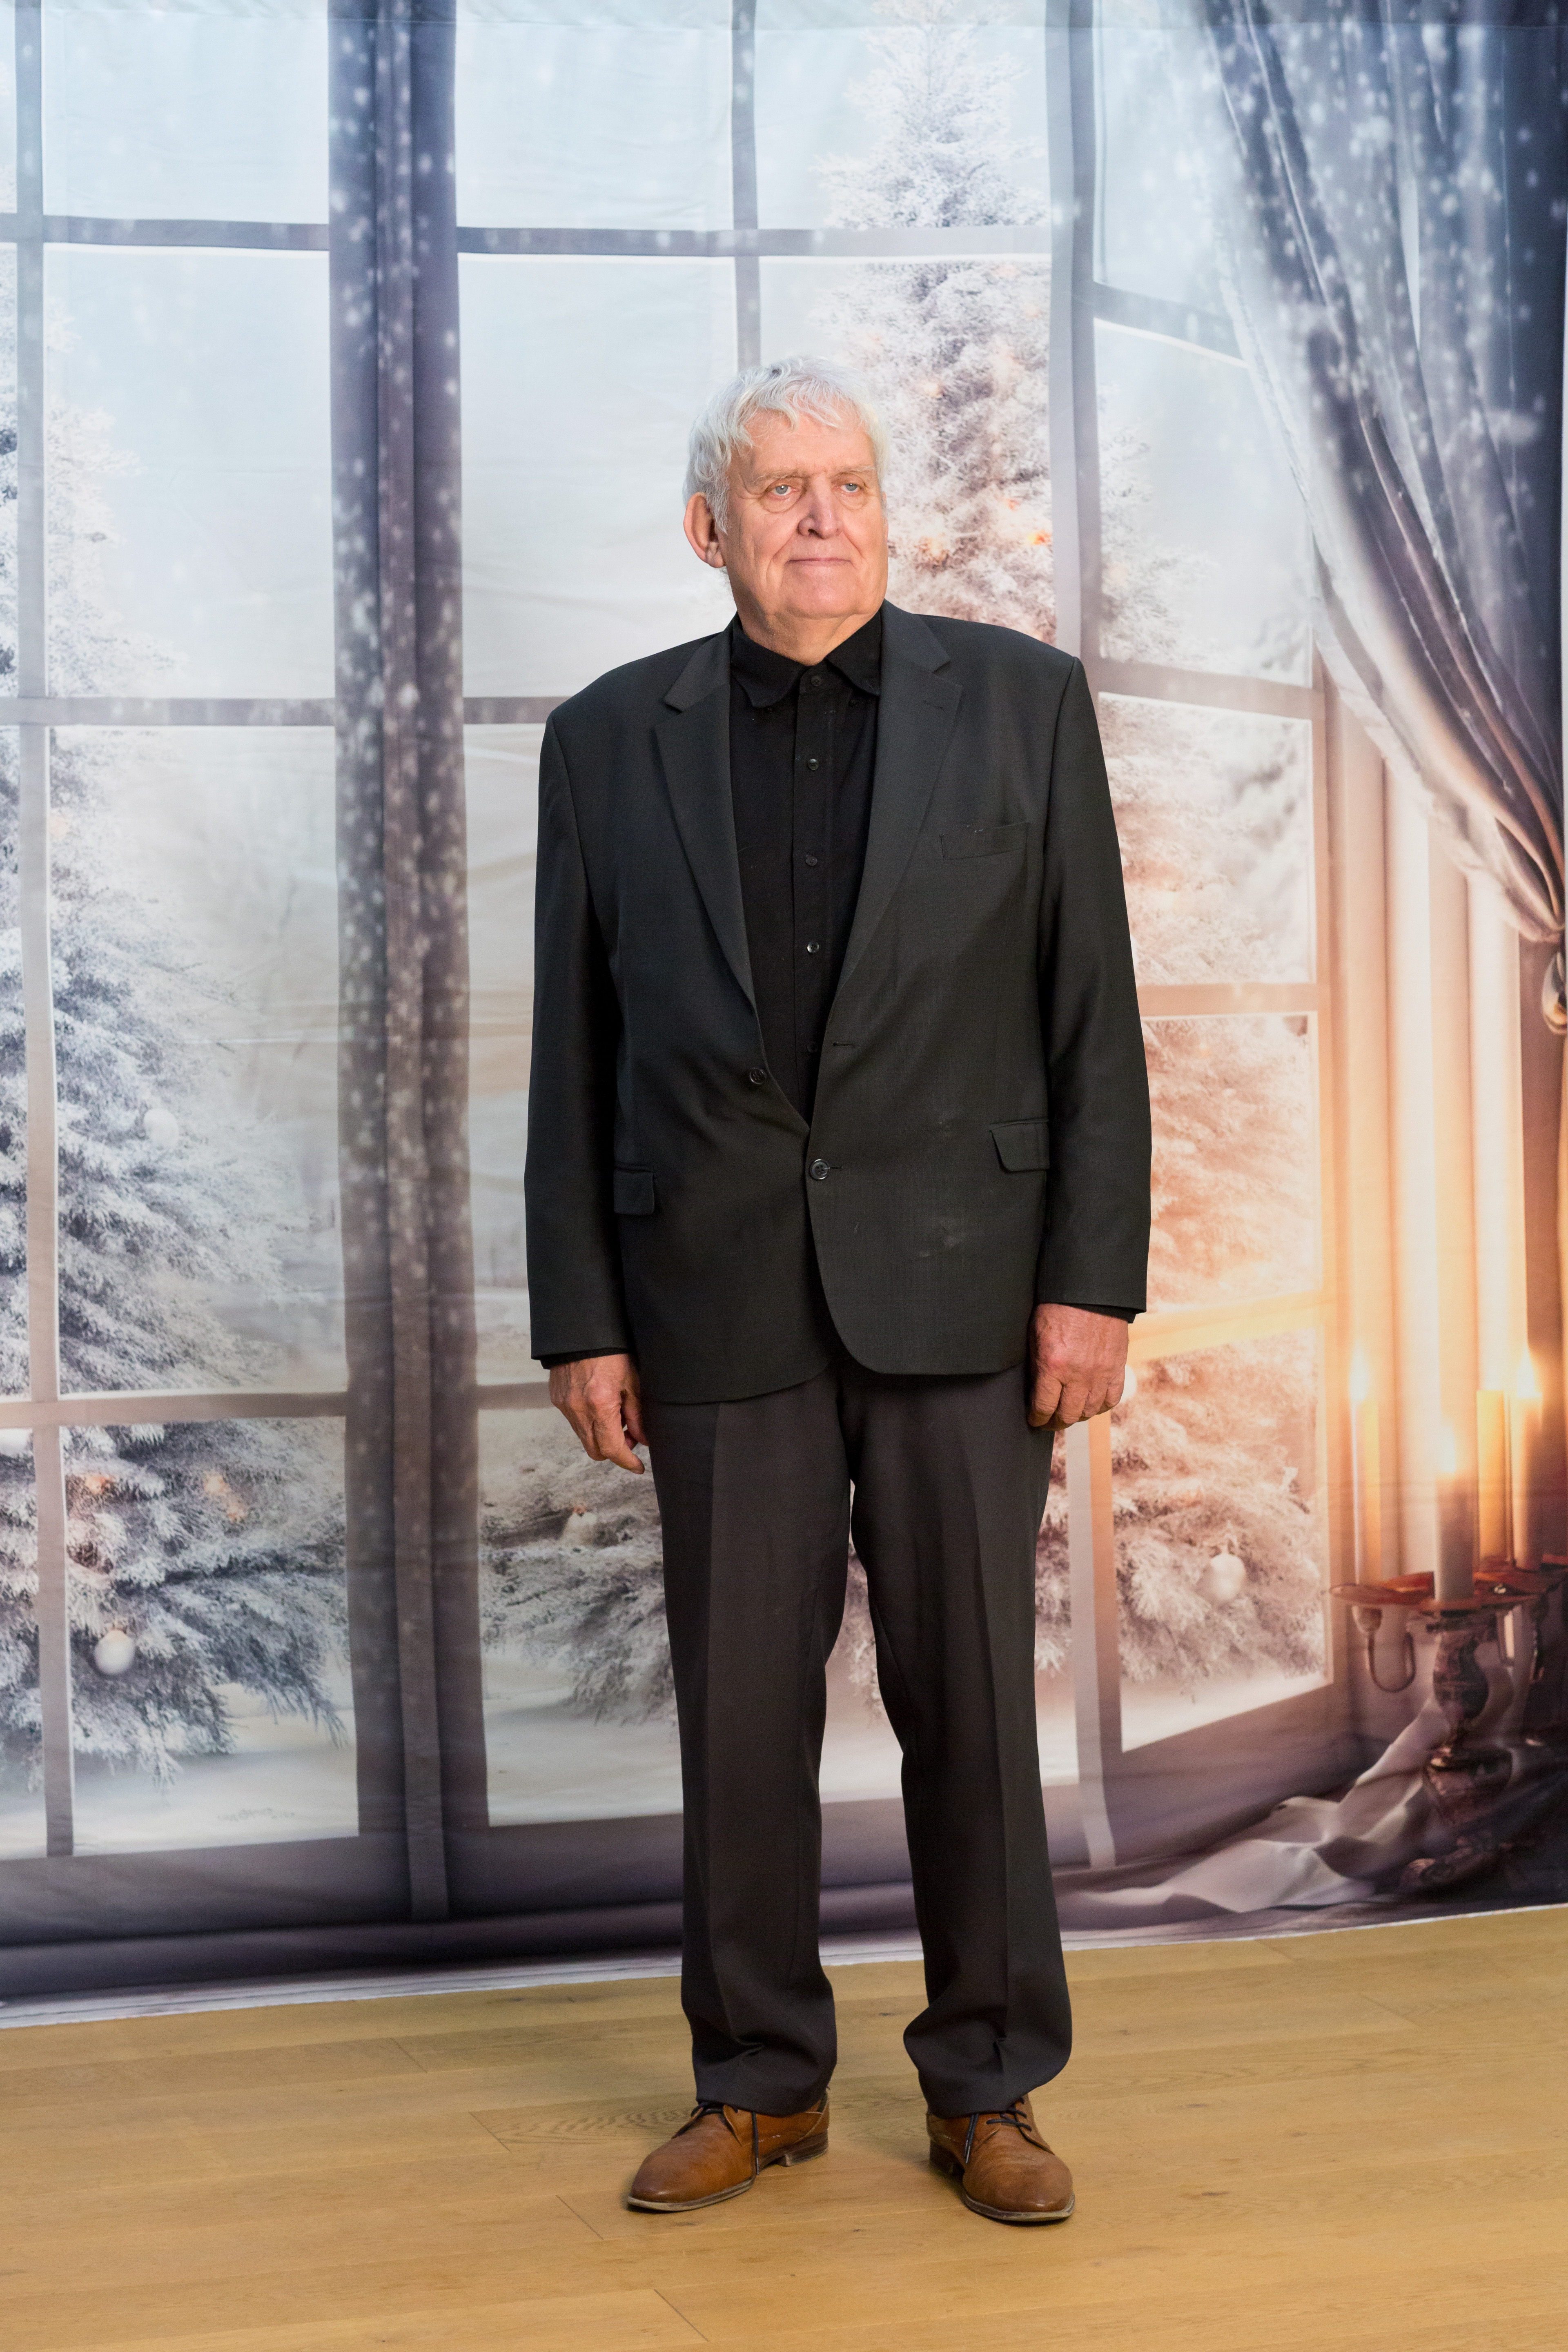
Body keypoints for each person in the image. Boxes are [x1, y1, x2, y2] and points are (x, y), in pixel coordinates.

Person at [525, 357, 1149, 2225]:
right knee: (740, 1720)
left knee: (973, 1706)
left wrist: (1092, 1282)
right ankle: (757, 2085)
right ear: (708, 528)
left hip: (970, 1291)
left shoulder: (1024, 707)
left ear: (887, 511)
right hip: (710, 1294)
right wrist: (581, 1313)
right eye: (782, 489)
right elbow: (574, 1053)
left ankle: (990, 2087)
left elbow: (1093, 1018)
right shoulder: (606, 740)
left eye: (851, 484)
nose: (823, 517)